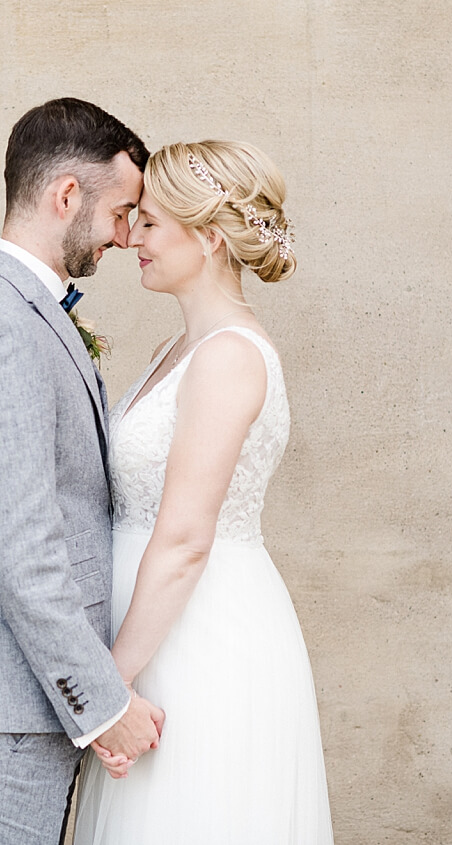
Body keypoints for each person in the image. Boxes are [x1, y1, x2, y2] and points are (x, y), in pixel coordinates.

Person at [0, 98, 166, 845]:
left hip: (21, 700)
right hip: (10, 706)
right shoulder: (2, 326)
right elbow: (23, 544)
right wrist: (103, 702)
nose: (126, 235)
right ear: (65, 197)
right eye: (121, 211)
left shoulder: (21, 311)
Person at [71, 140, 334, 843]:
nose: (133, 239)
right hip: (149, 638)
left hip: (200, 645)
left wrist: (107, 690)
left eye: (151, 223)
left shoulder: (228, 357)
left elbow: (186, 538)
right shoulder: (177, 349)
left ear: (211, 237)